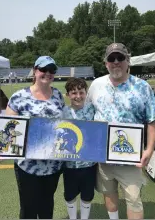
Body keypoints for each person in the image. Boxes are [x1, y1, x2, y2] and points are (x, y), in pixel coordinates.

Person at [86, 43, 155, 219]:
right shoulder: (96, 85)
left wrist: (149, 149)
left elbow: (153, 120)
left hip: (130, 157)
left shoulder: (142, 87)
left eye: (120, 58)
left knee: (134, 199)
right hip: (103, 156)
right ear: (106, 63)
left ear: (128, 60)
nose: (116, 62)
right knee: (108, 192)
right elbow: (89, 116)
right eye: (111, 59)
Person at [5, 56, 65, 219]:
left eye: (51, 70)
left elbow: (63, 125)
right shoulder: (18, 97)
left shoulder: (58, 96)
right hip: (27, 166)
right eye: (43, 69)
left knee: (47, 206)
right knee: (28, 209)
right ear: (35, 71)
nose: (48, 73)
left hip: (53, 165)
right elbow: (6, 129)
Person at [62, 77, 96, 219]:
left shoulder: (92, 109)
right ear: (68, 95)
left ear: (86, 93)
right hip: (69, 163)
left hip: (89, 163)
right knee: (69, 195)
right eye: (74, 93)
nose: (78, 96)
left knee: (87, 195)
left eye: (81, 92)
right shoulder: (63, 112)